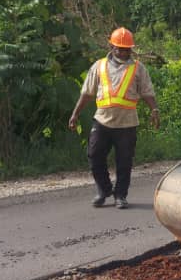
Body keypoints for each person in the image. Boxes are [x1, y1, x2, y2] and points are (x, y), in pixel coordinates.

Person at [68, 27, 160, 209]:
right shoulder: (99, 66)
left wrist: (154, 110)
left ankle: (120, 196)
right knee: (94, 155)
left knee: (124, 162)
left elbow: (147, 92)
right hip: (102, 120)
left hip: (127, 123)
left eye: (127, 49)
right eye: (120, 48)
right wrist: (75, 114)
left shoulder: (138, 68)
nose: (124, 52)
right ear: (112, 46)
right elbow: (87, 93)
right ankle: (104, 190)